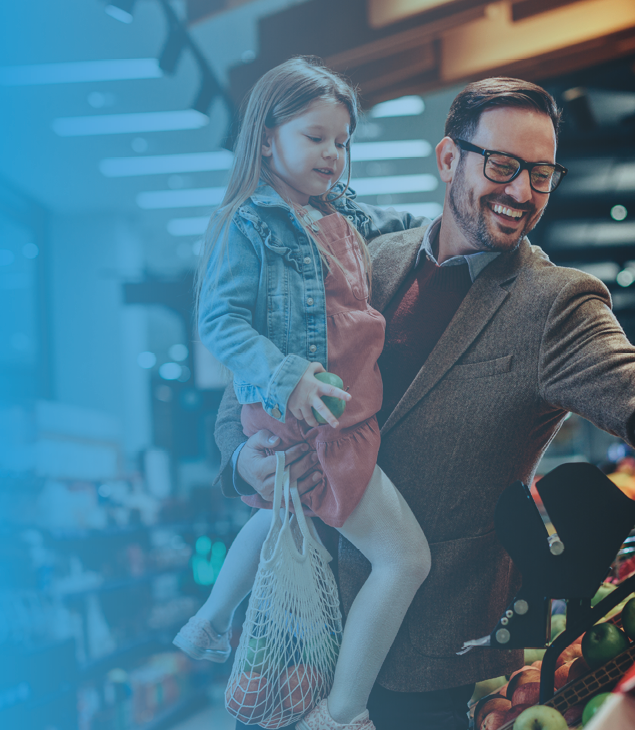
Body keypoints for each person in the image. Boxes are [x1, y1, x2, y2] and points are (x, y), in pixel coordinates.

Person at [215, 75, 635, 730]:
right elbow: (245, 389)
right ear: (449, 159)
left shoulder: (554, 306)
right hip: (295, 630)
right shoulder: (362, 256)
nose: (522, 193)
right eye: (503, 166)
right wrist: (245, 459)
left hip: (423, 665)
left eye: (542, 174)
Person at [173, 56, 432, 730]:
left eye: (342, 141)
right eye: (315, 137)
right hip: (316, 421)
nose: (333, 154)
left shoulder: (333, 216)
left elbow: (394, 225)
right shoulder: (250, 225)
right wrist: (290, 379)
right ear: (266, 138)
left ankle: (209, 619)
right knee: (404, 558)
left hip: (333, 419)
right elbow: (218, 321)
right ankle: (341, 714)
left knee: (282, 509)